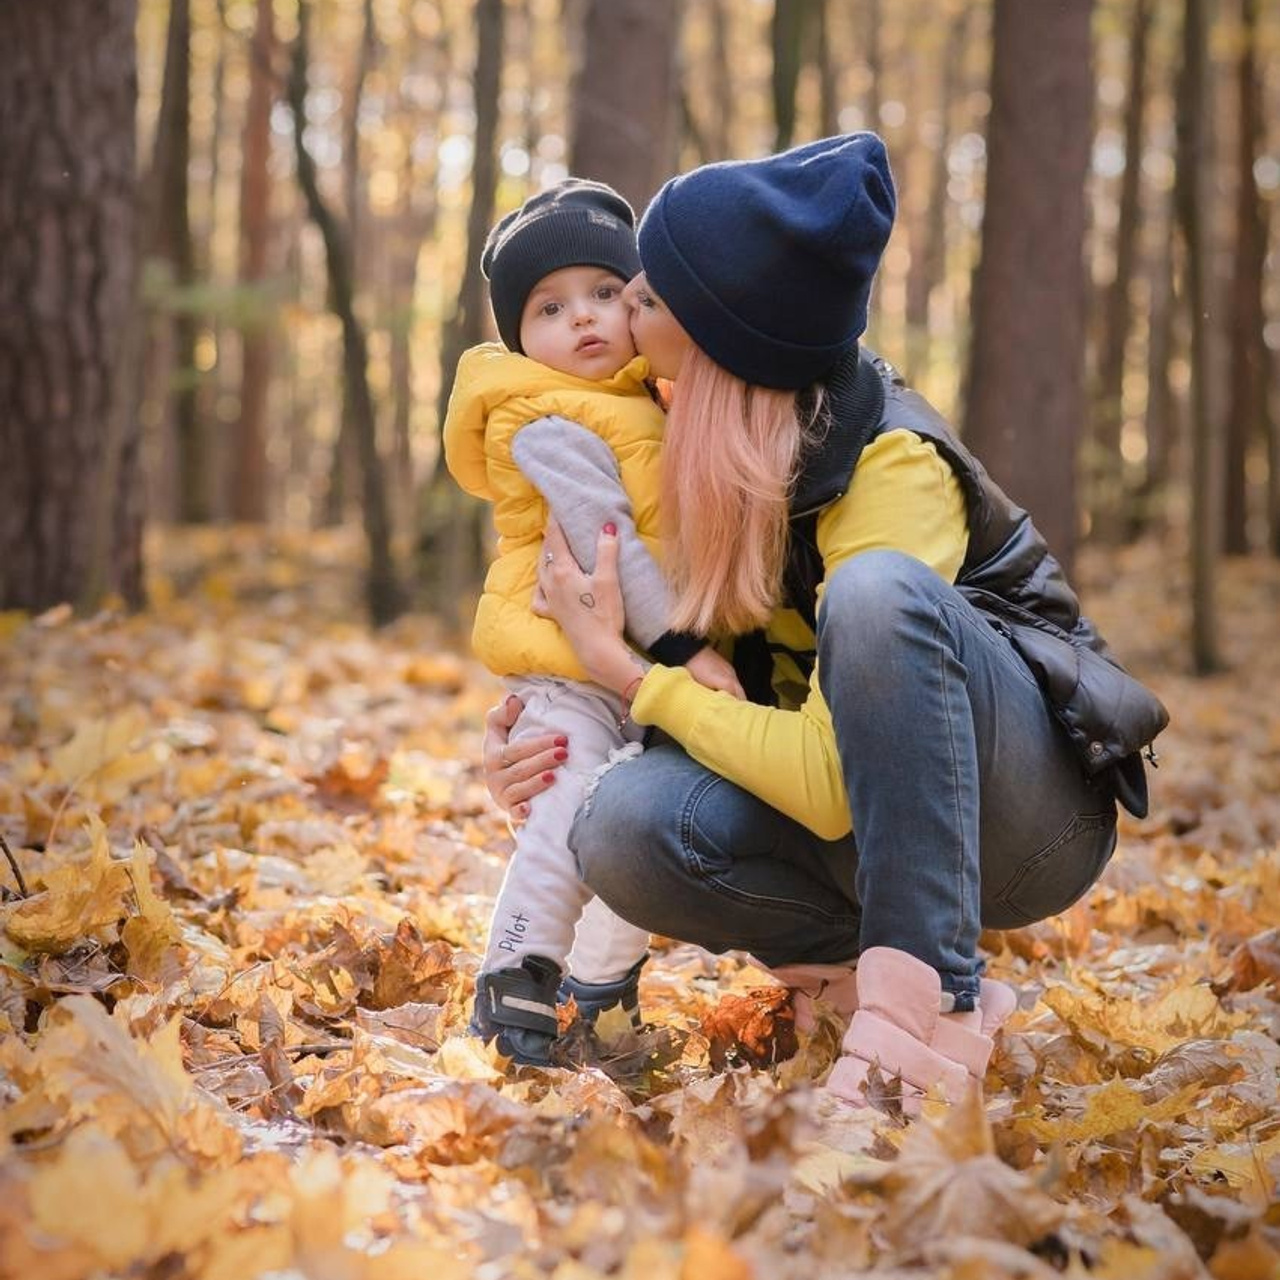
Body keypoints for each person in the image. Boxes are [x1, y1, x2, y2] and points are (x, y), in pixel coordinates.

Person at [485, 135, 1168, 1107]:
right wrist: (541, 721)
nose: (620, 304)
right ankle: (845, 974)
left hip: (1020, 818)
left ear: (722, 329)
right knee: (623, 823)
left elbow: (824, 775)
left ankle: (921, 1013)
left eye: (645, 293)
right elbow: (604, 620)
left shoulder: (887, 458)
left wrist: (636, 677)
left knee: (872, 595)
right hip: (849, 808)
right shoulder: (668, 432)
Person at [442, 179, 742, 1065]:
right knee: (568, 798)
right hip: (571, 667)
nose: (582, 319)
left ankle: (602, 990)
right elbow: (610, 548)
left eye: (605, 293)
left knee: (626, 842)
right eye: (548, 307)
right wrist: (687, 650)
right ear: (516, 339)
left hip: (633, 665)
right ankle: (515, 968)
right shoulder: (545, 418)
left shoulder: (649, 400)